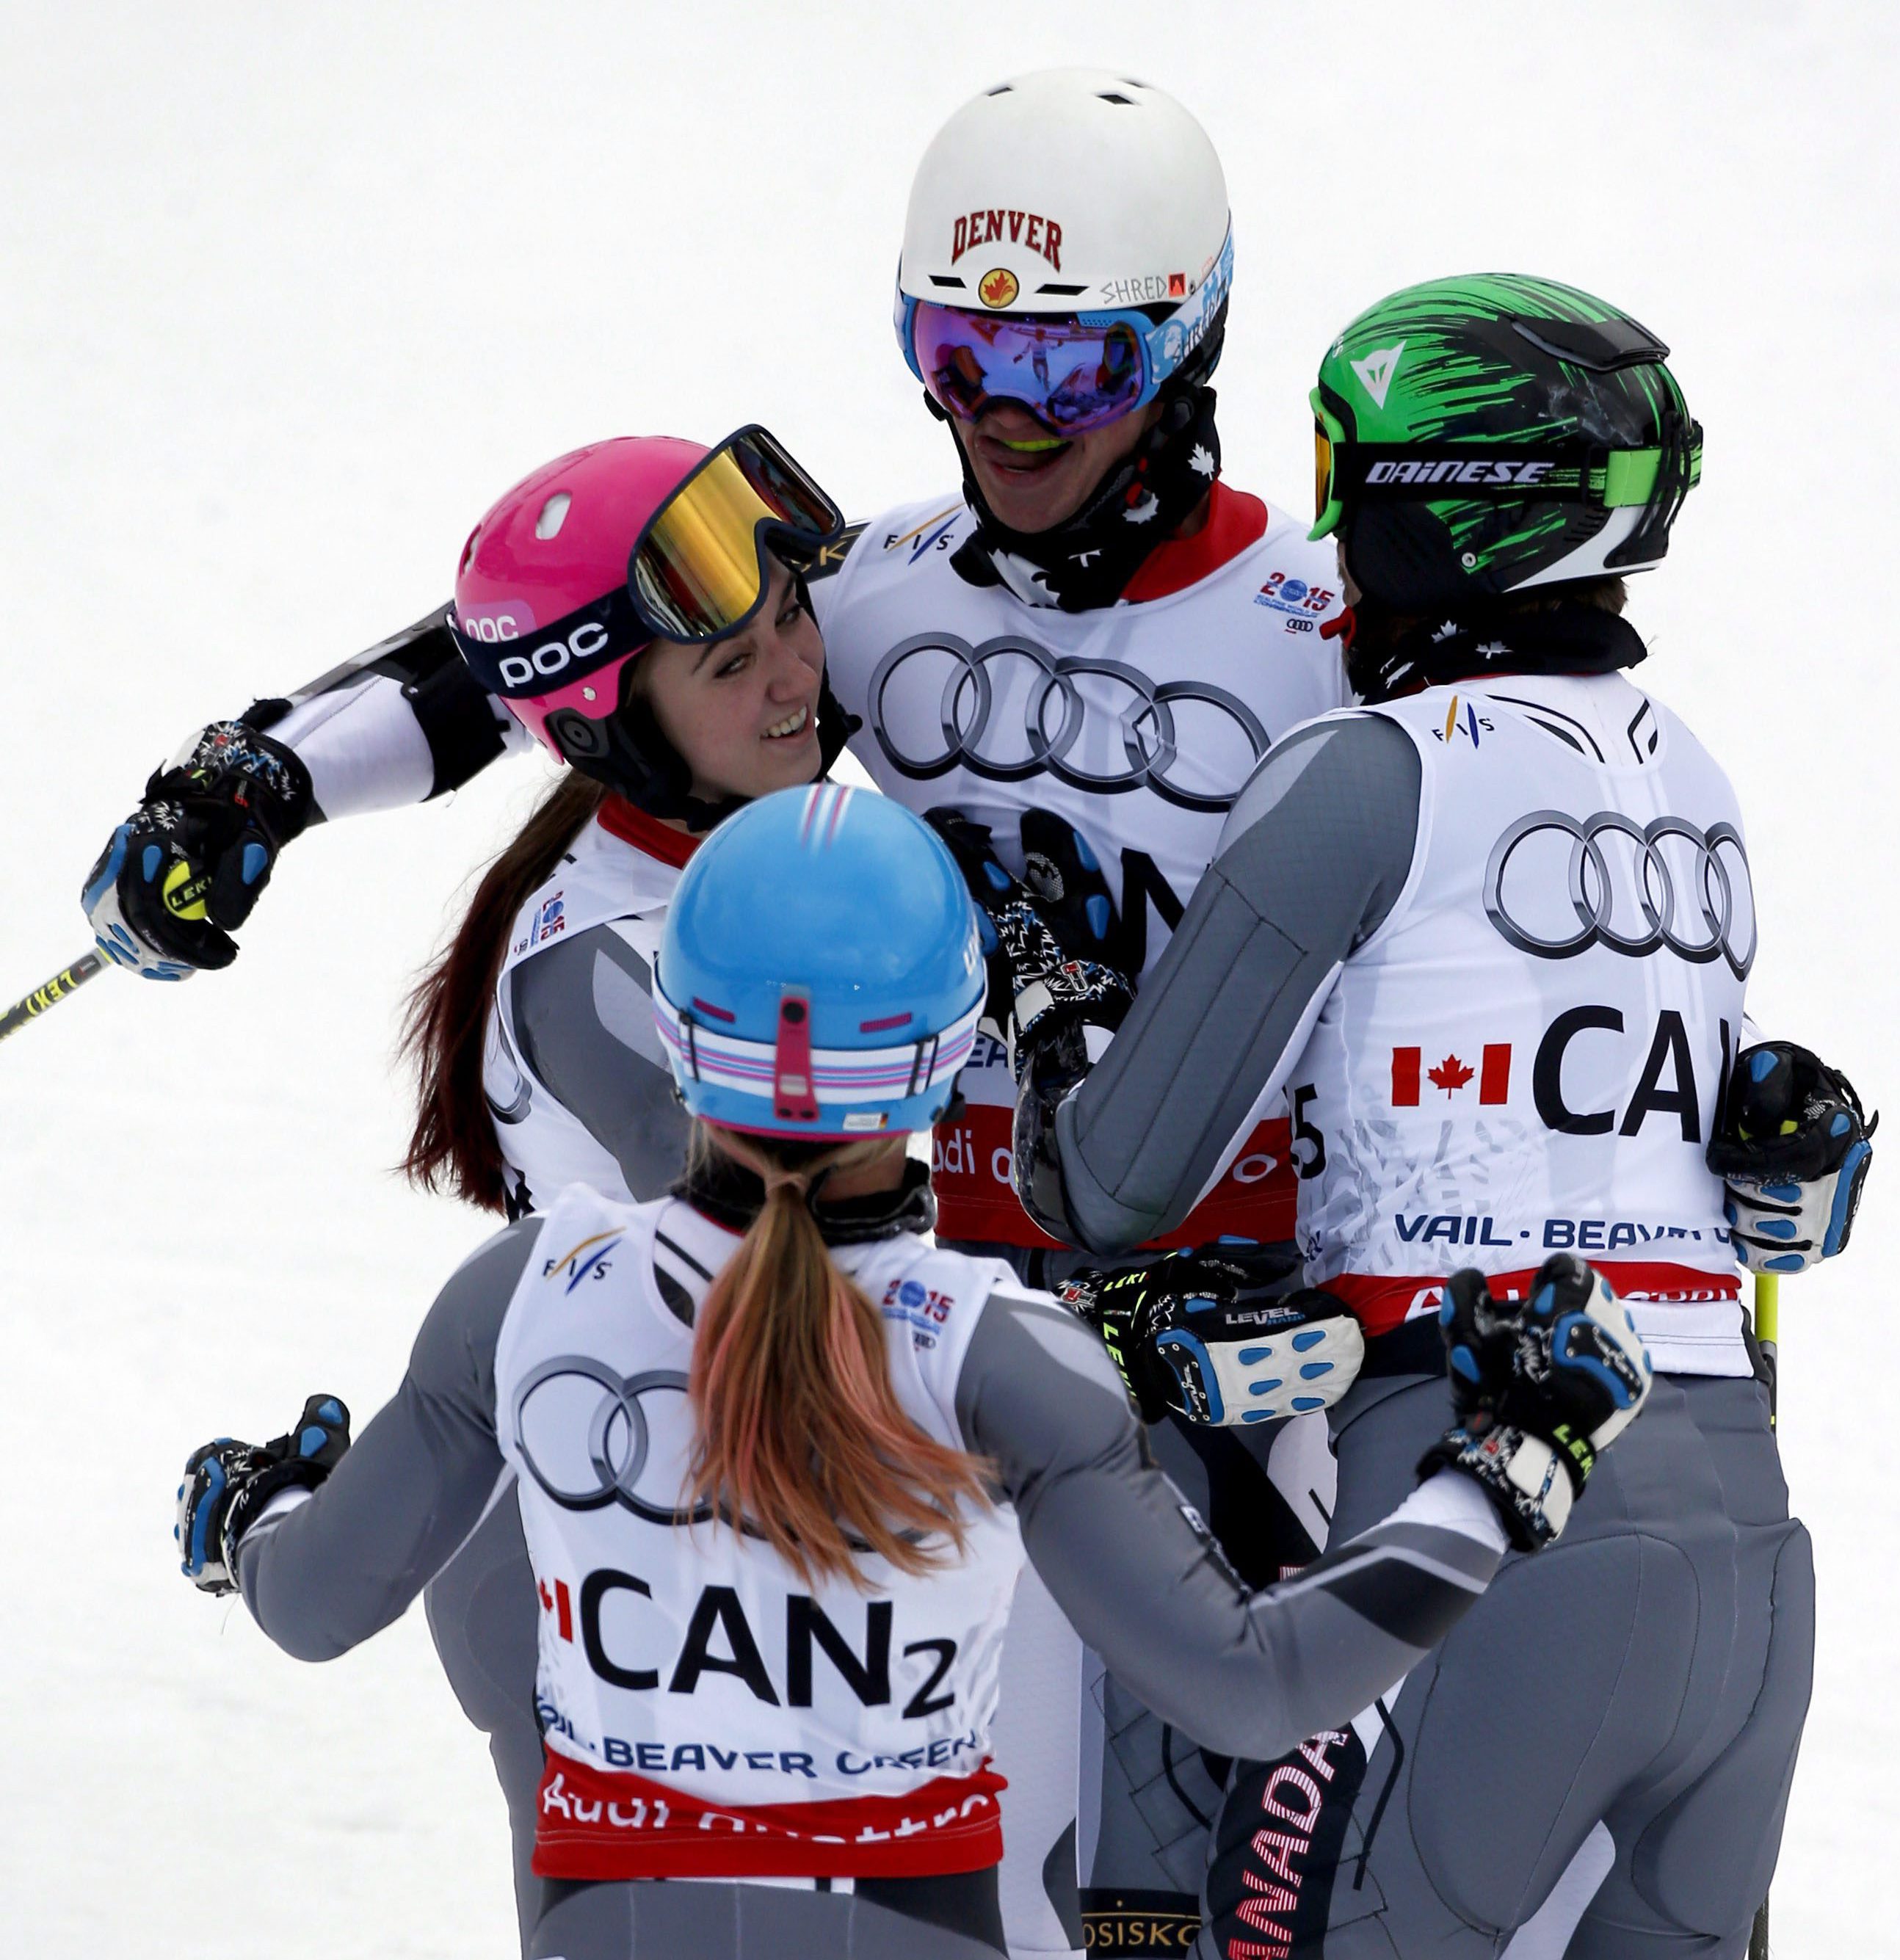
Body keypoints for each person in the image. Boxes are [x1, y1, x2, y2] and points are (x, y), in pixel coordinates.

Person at [81, 68, 1356, 1952]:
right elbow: (551, 656)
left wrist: (275, 774)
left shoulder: (1221, 624)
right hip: (820, 1507)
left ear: (1186, 342)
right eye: (954, 353)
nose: (999, 415)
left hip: (1011, 1418)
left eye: (1065, 373)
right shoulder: (666, 890)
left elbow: (574, 633)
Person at [171, 784, 1653, 1960]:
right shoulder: (1003, 1358)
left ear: (677, 1036)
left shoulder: (523, 1296)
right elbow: (1256, 1692)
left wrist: (256, 1523)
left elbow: (310, 1612)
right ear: (951, 1059)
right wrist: (1514, 1469)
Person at [1012, 276, 1877, 1957]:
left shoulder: (1370, 768)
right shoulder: (1693, 781)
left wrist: (1049, 998)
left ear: (1442, 515)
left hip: (1501, 1516)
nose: (1328, 546)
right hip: (1750, 1545)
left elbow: (1111, 1185)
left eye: (1342, 485)